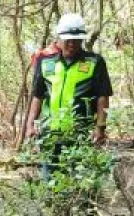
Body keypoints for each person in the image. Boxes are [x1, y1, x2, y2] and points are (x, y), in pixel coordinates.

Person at [23, 13, 113, 177]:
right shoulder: (45, 63)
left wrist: (100, 127)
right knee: (50, 179)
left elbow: (103, 97)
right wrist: (30, 125)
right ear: (59, 39)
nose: (72, 44)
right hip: (50, 132)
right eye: (68, 40)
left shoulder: (95, 62)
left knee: (80, 180)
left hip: (80, 133)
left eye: (77, 40)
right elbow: (37, 96)